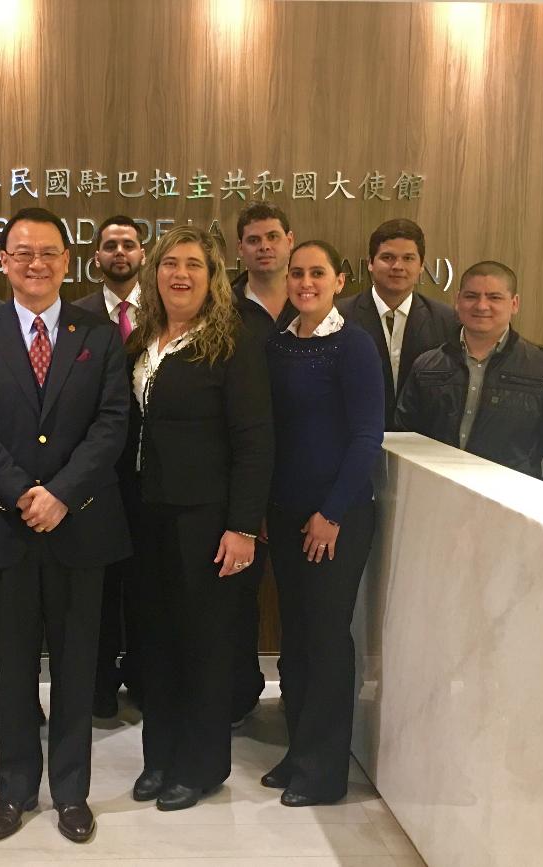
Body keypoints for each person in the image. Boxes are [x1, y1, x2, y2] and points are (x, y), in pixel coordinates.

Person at [0, 207, 130, 844]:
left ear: (67, 261)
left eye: (48, 252)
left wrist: (60, 494)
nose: (35, 263)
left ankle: (71, 794)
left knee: (78, 667)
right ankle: (14, 790)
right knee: (15, 667)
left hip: (81, 524)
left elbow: (112, 425)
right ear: (4, 262)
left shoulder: (99, 333)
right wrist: (23, 492)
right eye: (22, 252)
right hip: (7, 524)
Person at [129, 225, 273, 811]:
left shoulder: (232, 343)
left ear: (212, 277)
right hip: (148, 517)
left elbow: (255, 441)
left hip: (210, 522)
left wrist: (242, 526)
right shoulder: (142, 340)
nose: (179, 274)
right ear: (154, 274)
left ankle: (201, 765)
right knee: (156, 642)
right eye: (169, 264)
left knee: (205, 646)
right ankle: (159, 758)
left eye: (193, 264)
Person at [263, 240, 384, 806]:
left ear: (340, 279)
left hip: (337, 518)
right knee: (296, 643)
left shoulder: (353, 346)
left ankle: (325, 770)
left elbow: (365, 439)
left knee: (327, 639)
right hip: (286, 518)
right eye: (297, 273)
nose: (305, 282)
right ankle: (299, 752)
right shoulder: (280, 345)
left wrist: (330, 513)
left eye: (317, 273)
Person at [396, 260, 543, 492]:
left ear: (514, 303)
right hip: (436, 498)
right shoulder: (426, 365)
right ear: (457, 300)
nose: (481, 306)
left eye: (494, 298)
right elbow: (405, 440)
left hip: (511, 503)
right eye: (471, 296)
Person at [226, 201, 296, 726]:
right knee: (236, 597)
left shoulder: (316, 305)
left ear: (290, 240)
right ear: (239, 249)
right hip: (238, 477)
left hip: (301, 477)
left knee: (299, 599)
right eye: (254, 239)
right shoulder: (221, 309)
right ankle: (237, 695)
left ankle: (298, 696)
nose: (265, 246)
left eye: (273, 236)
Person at [75, 214, 145, 718]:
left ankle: (143, 680)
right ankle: (97, 689)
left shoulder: (167, 311)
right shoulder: (75, 314)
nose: (119, 252)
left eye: (129, 244)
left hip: (150, 474)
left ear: (143, 253)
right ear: (95, 257)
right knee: (95, 592)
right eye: (110, 245)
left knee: (144, 586)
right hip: (91, 476)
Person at [336, 218, 457, 413]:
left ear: (421, 267)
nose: (398, 266)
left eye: (408, 258)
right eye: (388, 257)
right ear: (371, 264)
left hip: (423, 438)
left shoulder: (447, 320)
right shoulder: (339, 317)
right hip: (356, 434)